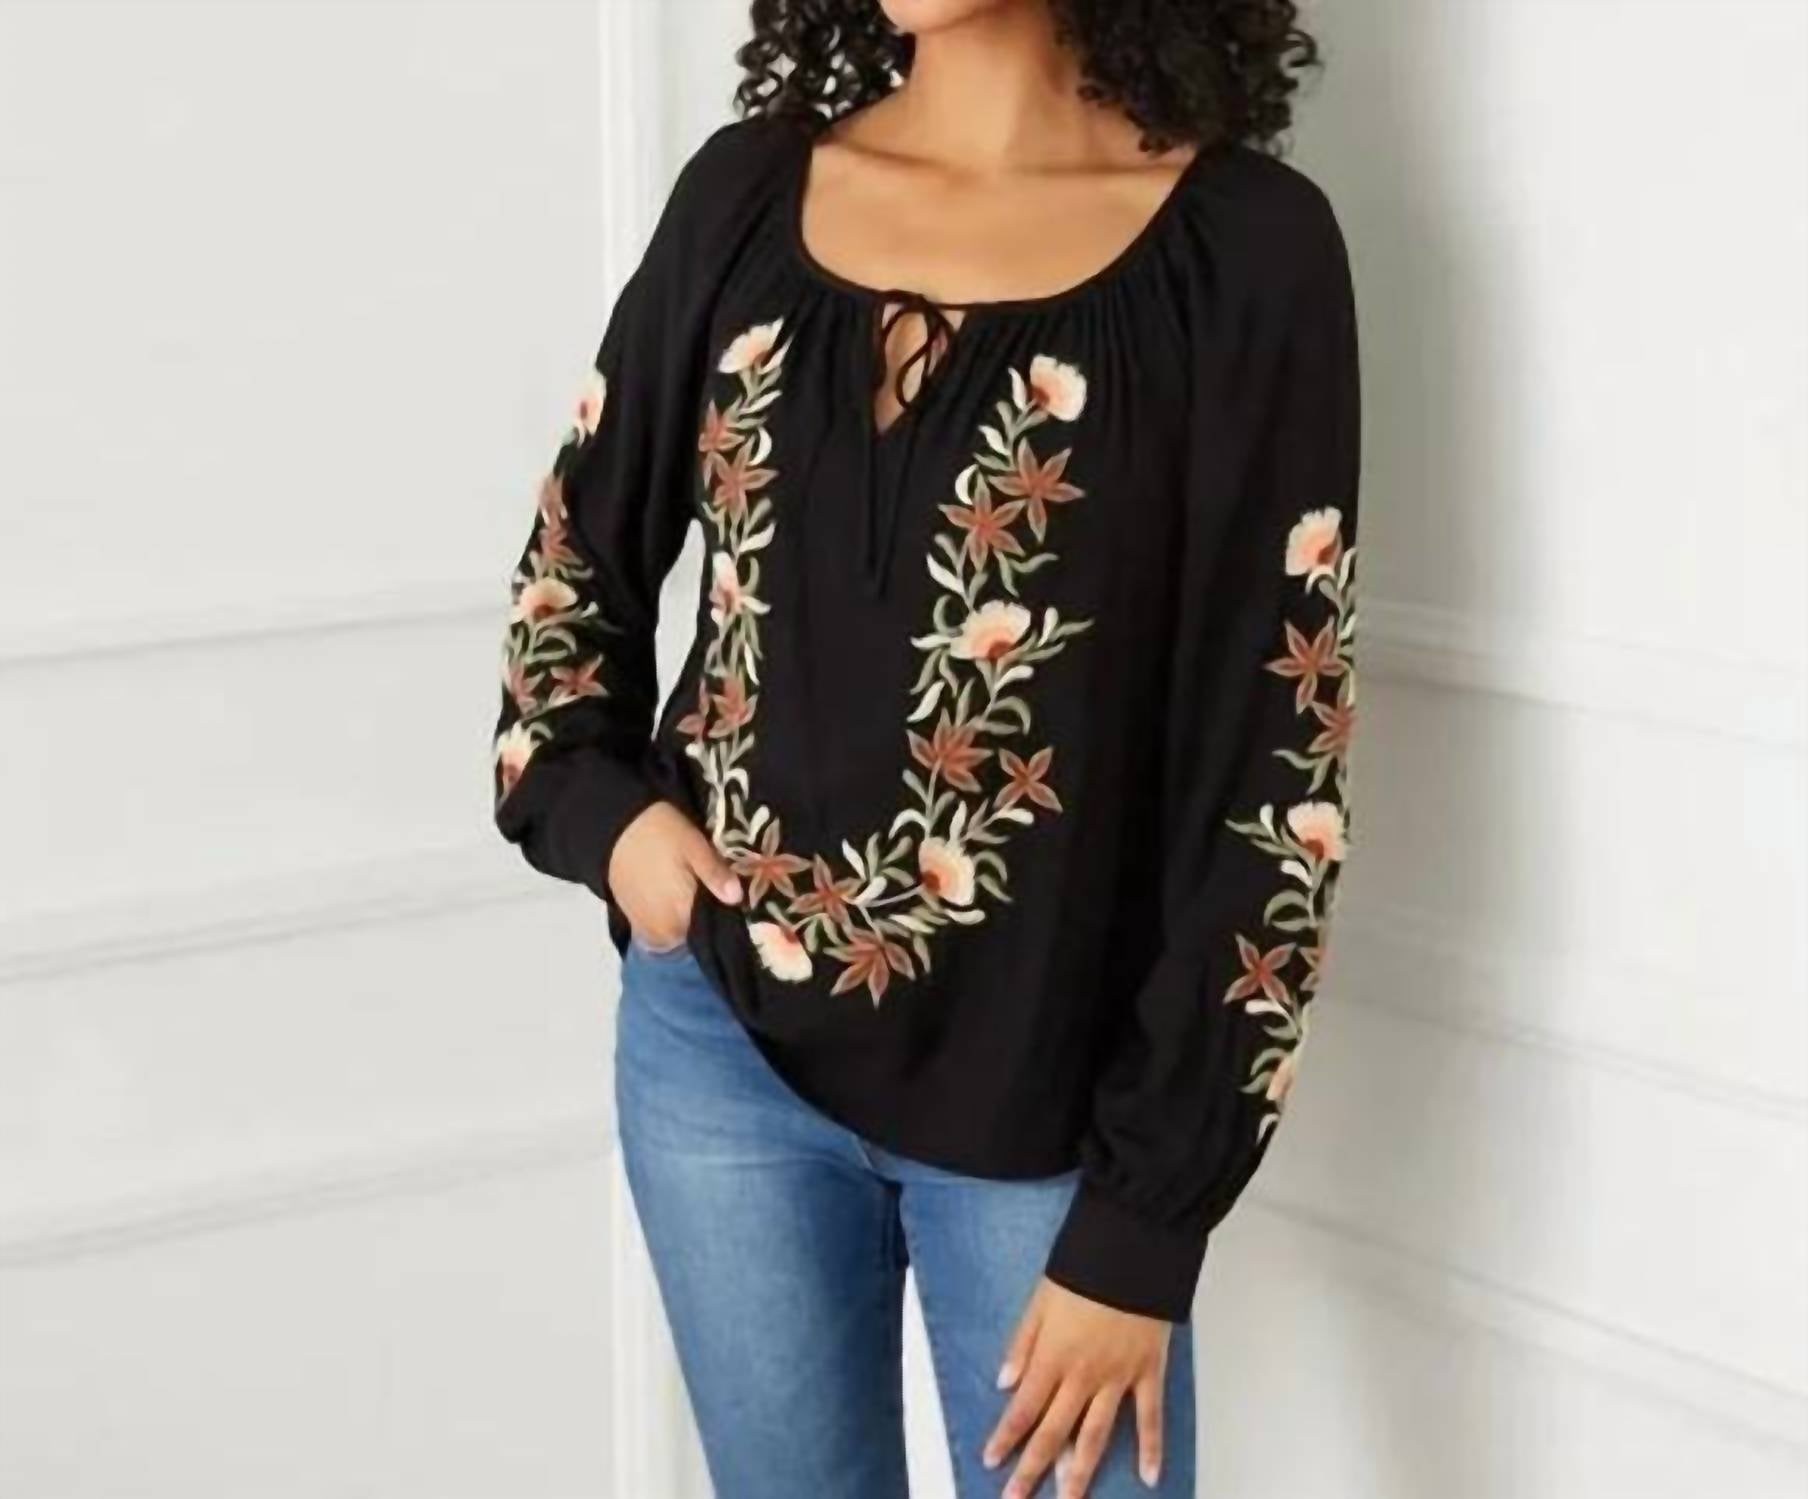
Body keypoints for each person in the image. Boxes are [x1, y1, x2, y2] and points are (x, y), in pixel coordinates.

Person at [490, 1, 1359, 1494]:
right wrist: (610, 825)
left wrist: (1146, 1224)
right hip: (718, 1060)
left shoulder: (1246, 250)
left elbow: (1277, 771)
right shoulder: (746, 196)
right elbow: (574, 568)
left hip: (1055, 1113)